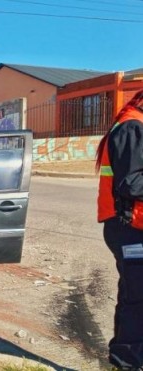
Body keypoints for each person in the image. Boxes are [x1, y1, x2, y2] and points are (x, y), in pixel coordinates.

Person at [96, 89, 143, 369]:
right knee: (137, 298)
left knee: (135, 295)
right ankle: (126, 361)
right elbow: (131, 184)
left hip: (132, 225)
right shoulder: (132, 126)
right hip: (127, 227)